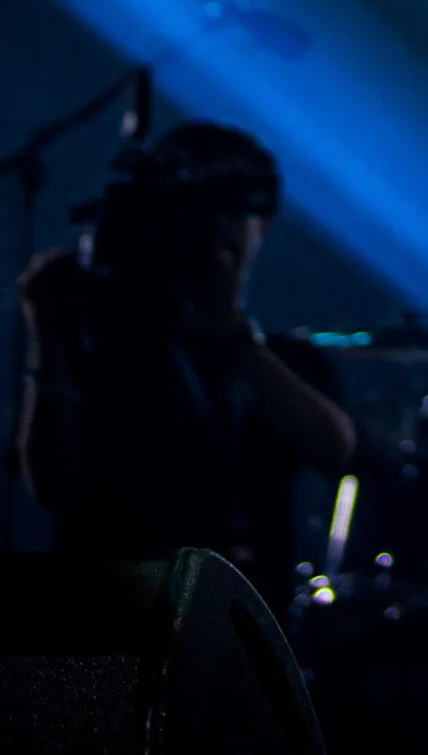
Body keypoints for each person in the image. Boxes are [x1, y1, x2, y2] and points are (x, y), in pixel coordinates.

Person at [18, 119, 355, 602]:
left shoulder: (287, 363)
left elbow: (334, 449)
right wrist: (48, 336)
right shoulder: (101, 345)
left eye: (230, 214)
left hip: (233, 627)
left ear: (261, 228)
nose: (209, 236)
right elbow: (54, 487)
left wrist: (235, 337)